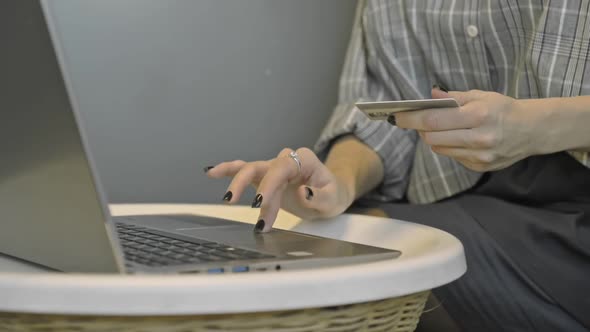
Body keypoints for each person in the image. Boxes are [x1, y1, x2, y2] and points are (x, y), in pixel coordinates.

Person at [204, 1, 590, 331]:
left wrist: (539, 126)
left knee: (343, 280)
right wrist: (336, 184)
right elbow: (387, 108)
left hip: (574, 213)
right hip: (460, 195)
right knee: (322, 256)